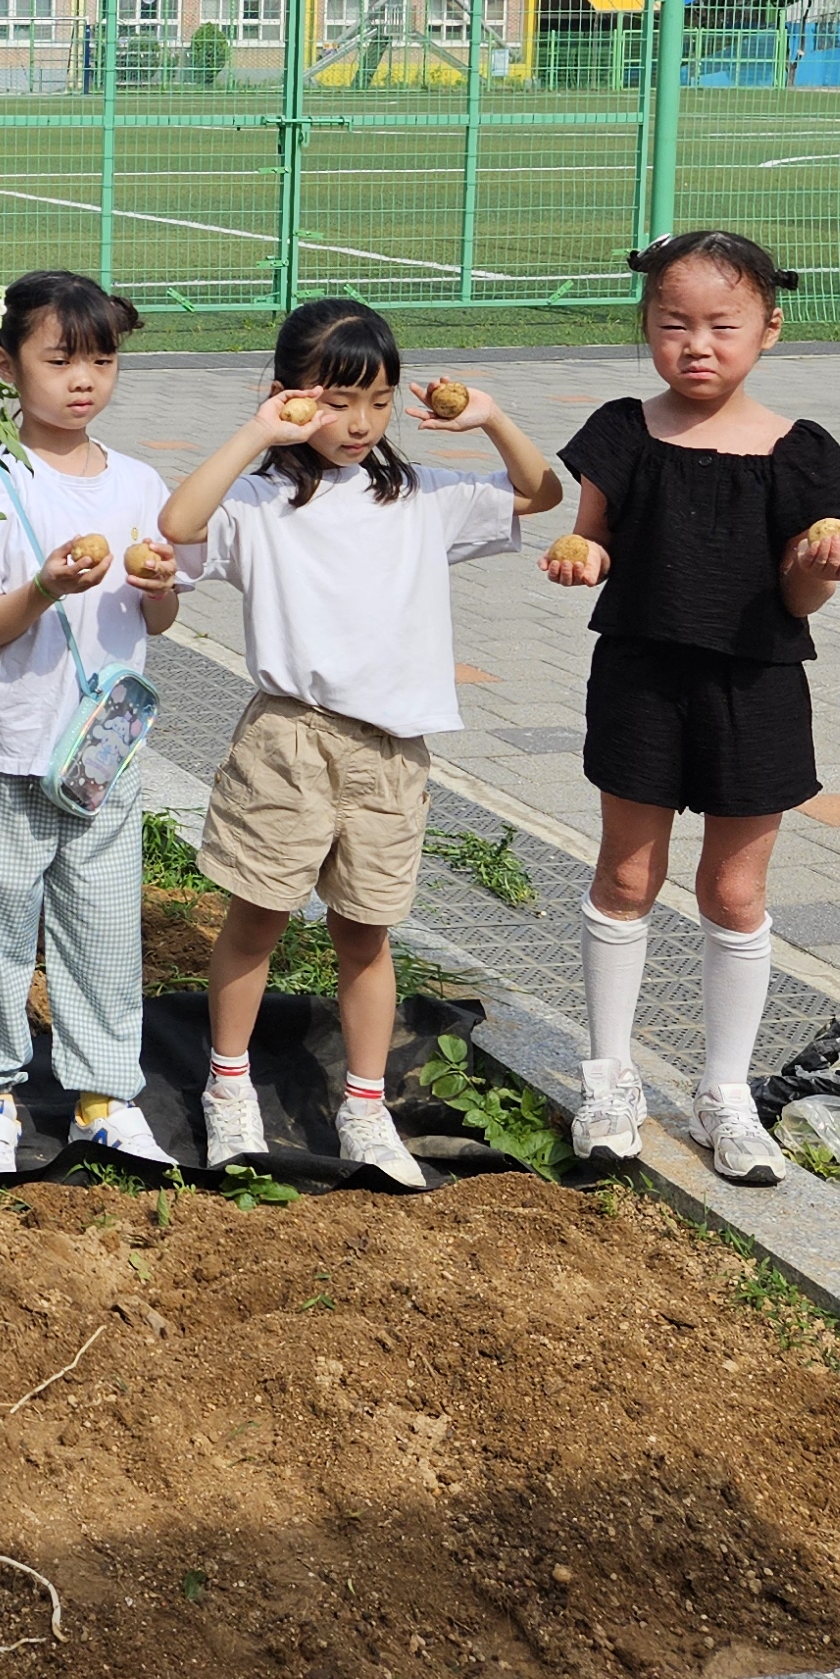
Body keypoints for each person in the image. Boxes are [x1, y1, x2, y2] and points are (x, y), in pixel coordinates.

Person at [157, 297, 560, 1187]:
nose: (359, 422)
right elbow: (179, 525)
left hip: (390, 753)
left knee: (367, 933)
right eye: (337, 401)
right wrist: (253, 432)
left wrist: (492, 418)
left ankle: (366, 1105)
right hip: (288, 742)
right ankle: (230, 1093)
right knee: (256, 919)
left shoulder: (417, 499)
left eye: (379, 400)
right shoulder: (258, 502)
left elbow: (541, 492)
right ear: (290, 399)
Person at [546, 229, 840, 1186]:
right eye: (672, 324)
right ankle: (609, 1081)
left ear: (769, 329)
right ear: (646, 327)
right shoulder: (621, 431)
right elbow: (593, 539)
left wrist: (816, 571)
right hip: (642, 677)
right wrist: (582, 557)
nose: (697, 344)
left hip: (756, 686)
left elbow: (800, 600)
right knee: (627, 877)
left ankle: (724, 1092)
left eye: (721, 326)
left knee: (733, 894)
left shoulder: (801, 456)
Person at [0, 272, 182, 1183]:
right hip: (2, 740)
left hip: (104, 750)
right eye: (60, 360)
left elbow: (157, 624)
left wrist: (156, 590)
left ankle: (103, 1097)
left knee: (104, 924)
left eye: (102, 360)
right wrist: (42, 587)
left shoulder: (138, 482)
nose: (84, 380)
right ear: (6, 366)